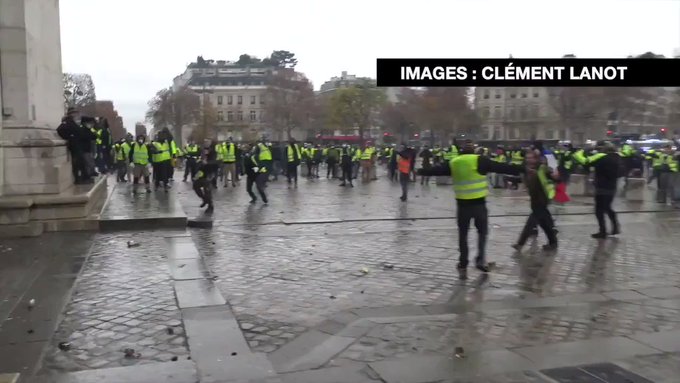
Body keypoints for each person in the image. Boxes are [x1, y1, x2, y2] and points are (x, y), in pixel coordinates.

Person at [418, 140, 522, 279]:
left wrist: (420, 171)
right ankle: (480, 260)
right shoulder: (480, 160)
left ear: (462, 151)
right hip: (479, 204)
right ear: (473, 151)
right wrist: (521, 168)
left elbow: (436, 170)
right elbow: (500, 167)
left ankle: (463, 262)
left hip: (462, 205)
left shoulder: (454, 162)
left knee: (463, 235)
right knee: (482, 232)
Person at [511, 149, 560, 251]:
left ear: (536, 159)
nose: (529, 160)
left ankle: (520, 244)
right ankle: (553, 242)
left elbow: (554, 177)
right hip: (534, 199)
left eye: (531, 158)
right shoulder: (527, 169)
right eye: (527, 158)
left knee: (530, 223)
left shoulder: (542, 168)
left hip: (542, 199)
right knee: (544, 224)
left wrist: (555, 176)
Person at [573, 141, 622, 238]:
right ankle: (615, 226)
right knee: (607, 207)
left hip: (601, 186)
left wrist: (585, 149)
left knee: (599, 210)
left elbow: (583, 160)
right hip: (612, 186)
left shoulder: (601, 156)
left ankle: (602, 231)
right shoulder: (617, 157)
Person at [57, 108, 90, 184]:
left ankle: (82, 178)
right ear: (71, 114)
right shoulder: (68, 122)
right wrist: (70, 136)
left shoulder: (72, 122)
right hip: (74, 145)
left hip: (77, 144)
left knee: (80, 162)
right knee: (77, 163)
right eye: (75, 113)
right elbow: (60, 129)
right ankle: (78, 179)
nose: (77, 115)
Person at [193, 147, 215, 213]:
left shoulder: (211, 158)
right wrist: (196, 176)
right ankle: (204, 199)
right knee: (195, 187)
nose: (205, 153)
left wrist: (208, 164)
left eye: (206, 151)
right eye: (203, 152)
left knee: (207, 191)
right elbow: (198, 169)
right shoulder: (200, 160)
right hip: (200, 177)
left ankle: (210, 206)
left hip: (208, 177)